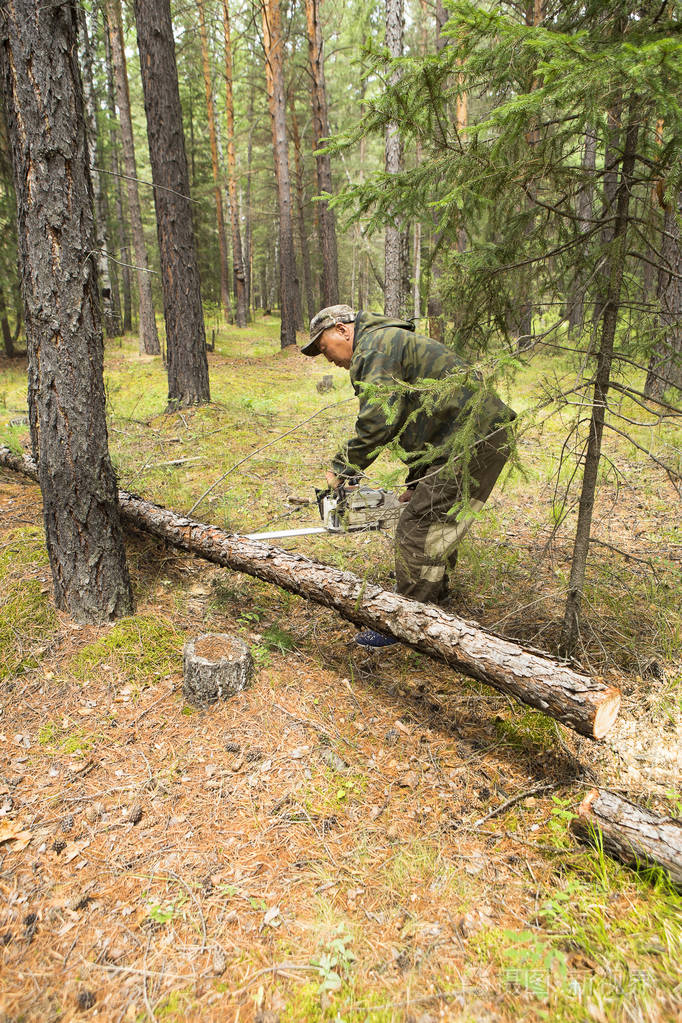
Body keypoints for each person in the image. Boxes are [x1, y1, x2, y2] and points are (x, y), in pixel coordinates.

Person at [301, 304, 516, 648]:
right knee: (433, 516)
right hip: (473, 435)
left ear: (342, 330)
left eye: (324, 348)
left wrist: (342, 468)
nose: (328, 359)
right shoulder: (387, 341)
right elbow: (422, 419)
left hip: (474, 439)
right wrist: (417, 480)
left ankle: (405, 620)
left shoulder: (374, 347)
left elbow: (378, 420)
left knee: (418, 526)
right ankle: (434, 597)